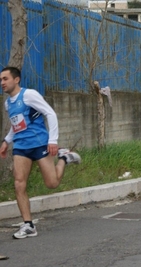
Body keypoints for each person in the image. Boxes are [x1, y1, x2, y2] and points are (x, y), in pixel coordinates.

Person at [0, 66, 81, 239]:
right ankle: (28, 225)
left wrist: (53, 140)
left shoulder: (29, 95)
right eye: (1, 80)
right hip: (21, 147)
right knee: (19, 183)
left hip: (39, 143)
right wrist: (6, 141)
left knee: (52, 183)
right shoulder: (8, 104)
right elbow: (17, 126)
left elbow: (50, 113)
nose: (2, 83)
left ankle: (64, 158)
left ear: (16, 79)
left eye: (5, 79)